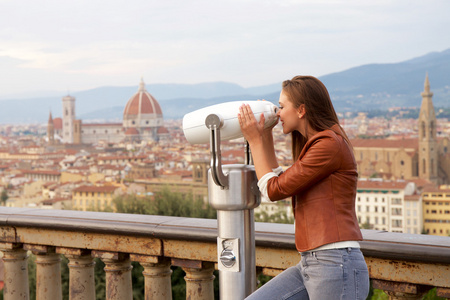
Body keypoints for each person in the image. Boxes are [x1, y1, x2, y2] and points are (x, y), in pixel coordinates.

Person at [238, 75, 369, 300]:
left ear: (301, 110)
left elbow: (272, 190)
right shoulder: (319, 144)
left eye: (281, 107)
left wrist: (255, 141)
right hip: (314, 262)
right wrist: (265, 134)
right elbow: (281, 181)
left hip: (335, 263)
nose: (278, 113)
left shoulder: (329, 145)